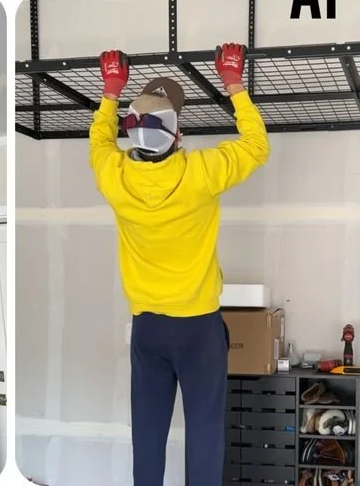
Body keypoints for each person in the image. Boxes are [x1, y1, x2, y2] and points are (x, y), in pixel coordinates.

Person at [91, 44, 270, 486]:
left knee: (147, 435)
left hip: (148, 327)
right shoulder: (200, 174)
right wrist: (233, 82)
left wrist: (111, 89)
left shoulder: (112, 176)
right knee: (205, 432)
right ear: (178, 136)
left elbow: (99, 139)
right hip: (198, 329)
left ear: (130, 137)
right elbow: (256, 145)